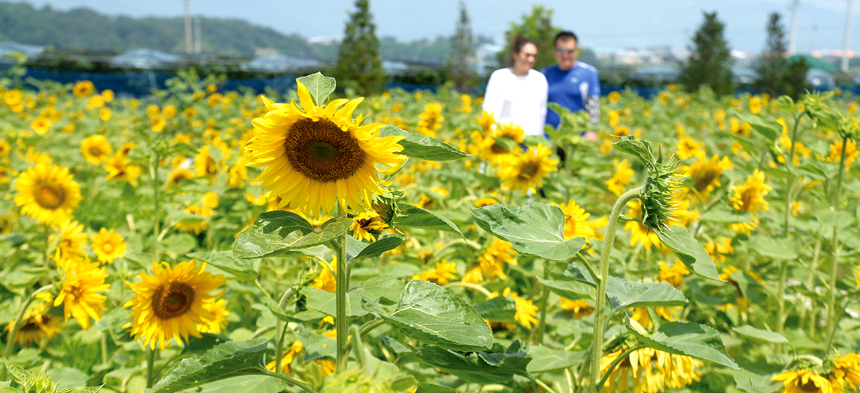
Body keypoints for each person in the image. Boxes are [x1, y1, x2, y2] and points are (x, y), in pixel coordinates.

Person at [482, 36, 548, 137]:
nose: (531, 59)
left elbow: (541, 113)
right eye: (527, 55)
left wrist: (538, 141)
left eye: (534, 56)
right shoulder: (499, 77)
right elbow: (488, 108)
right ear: (515, 54)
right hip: (502, 137)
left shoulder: (539, 79)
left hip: (528, 139)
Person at [541, 31, 599, 141]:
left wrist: (592, 131)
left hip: (576, 138)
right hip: (549, 138)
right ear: (555, 51)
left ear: (576, 50)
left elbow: (593, 105)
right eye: (561, 51)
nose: (565, 55)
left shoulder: (588, 73)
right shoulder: (545, 74)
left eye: (570, 51)